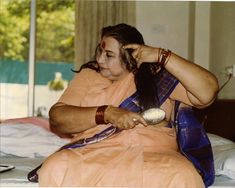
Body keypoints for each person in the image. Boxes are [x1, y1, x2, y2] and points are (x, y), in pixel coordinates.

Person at [37, 23, 219, 187]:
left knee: (181, 175)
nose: (100, 60)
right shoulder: (89, 76)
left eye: (108, 55)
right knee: (56, 166)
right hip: (95, 152)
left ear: (131, 57)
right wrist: (106, 114)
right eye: (99, 52)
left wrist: (162, 56)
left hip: (155, 155)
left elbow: (207, 93)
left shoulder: (157, 76)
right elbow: (58, 117)